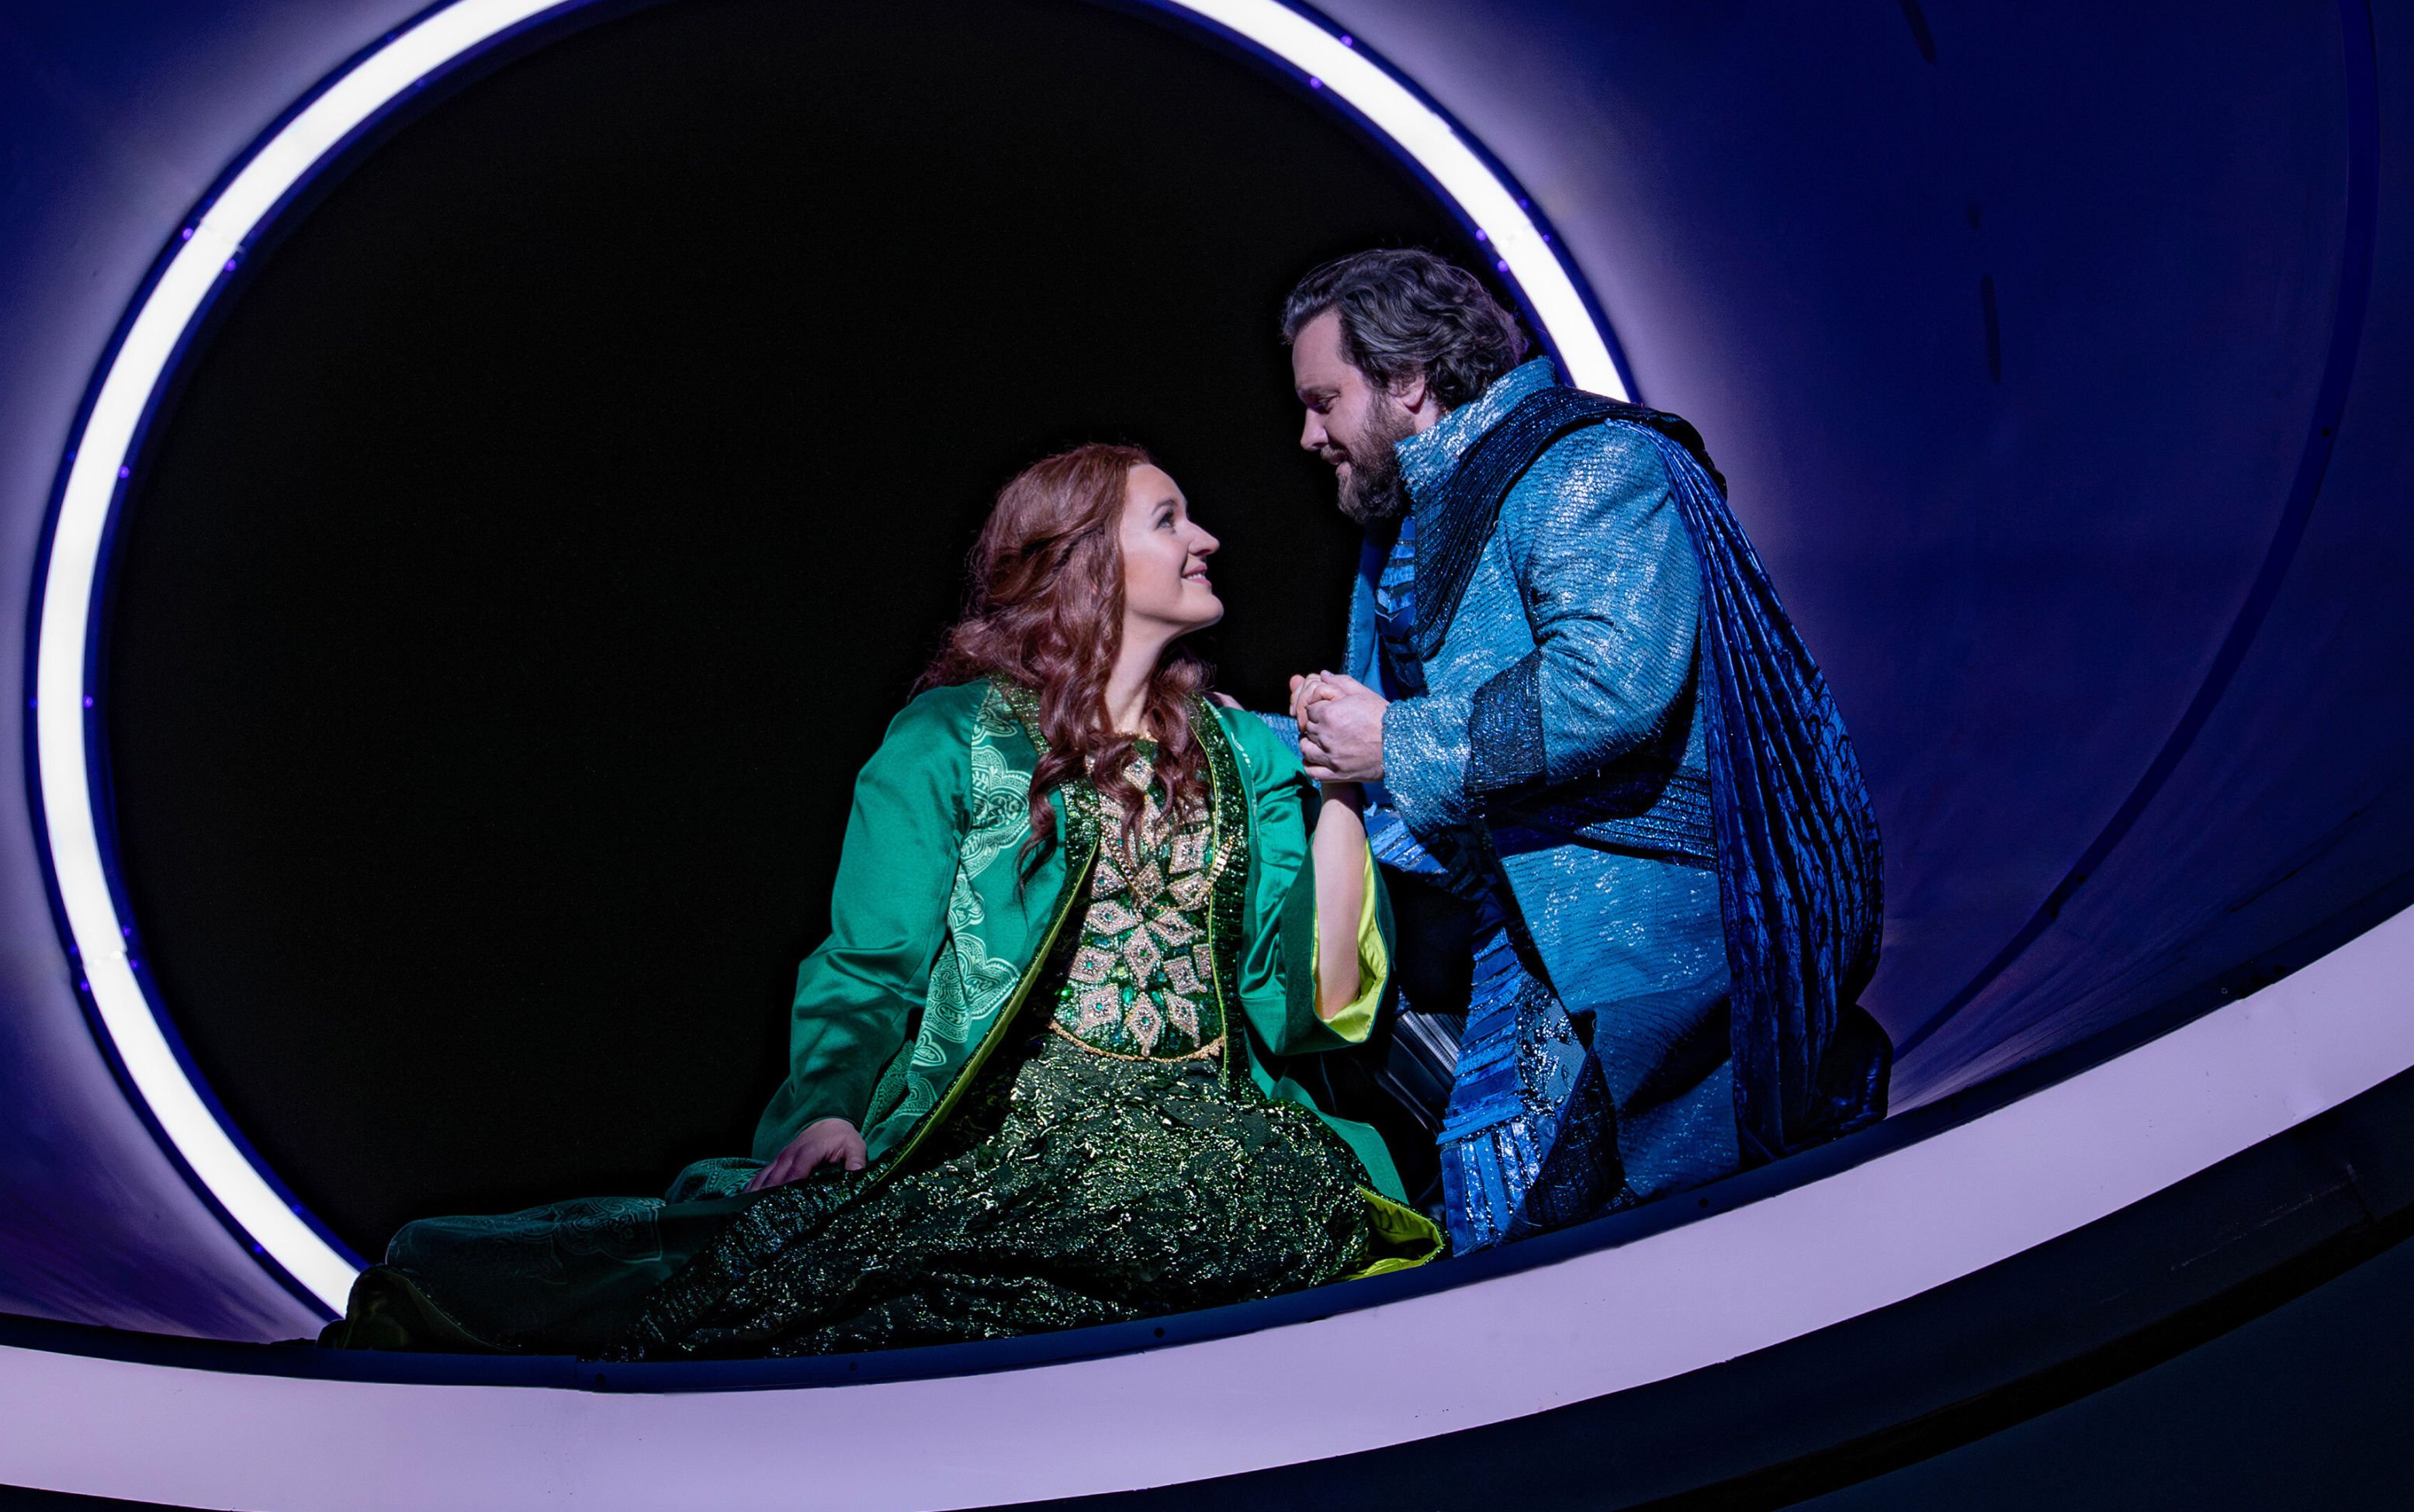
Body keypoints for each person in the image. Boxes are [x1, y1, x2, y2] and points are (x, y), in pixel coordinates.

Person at [325, 442, 1435, 1358]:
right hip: (1010, 1139)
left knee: (1251, 1216)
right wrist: (829, 1106)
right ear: (1084, 563)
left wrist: (1341, 796)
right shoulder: (952, 739)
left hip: (1221, 1145)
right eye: (1168, 519)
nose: (1207, 538)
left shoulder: (1247, 754)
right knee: (775, 1282)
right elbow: (869, 966)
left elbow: (1315, 1007)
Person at [1280, 248, 1887, 1254]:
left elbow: (1612, 679)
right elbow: (1419, 788)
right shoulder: (1410, 530)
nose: (1309, 434)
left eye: (1323, 400)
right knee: (1519, 1256)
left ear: (1409, 378)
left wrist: (1390, 736)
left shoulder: (1585, 461)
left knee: (1640, 1264)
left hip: (1642, 952)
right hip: (1524, 960)